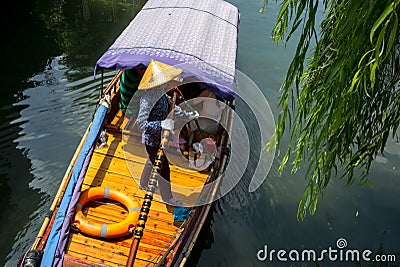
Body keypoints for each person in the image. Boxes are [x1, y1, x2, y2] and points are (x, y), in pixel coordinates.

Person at [136, 60, 198, 206]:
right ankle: (167, 198)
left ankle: (142, 184)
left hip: (160, 137)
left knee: (150, 161)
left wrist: (187, 115)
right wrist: (161, 124)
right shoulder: (147, 99)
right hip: (152, 139)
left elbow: (172, 108)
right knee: (164, 170)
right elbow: (141, 124)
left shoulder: (160, 92)